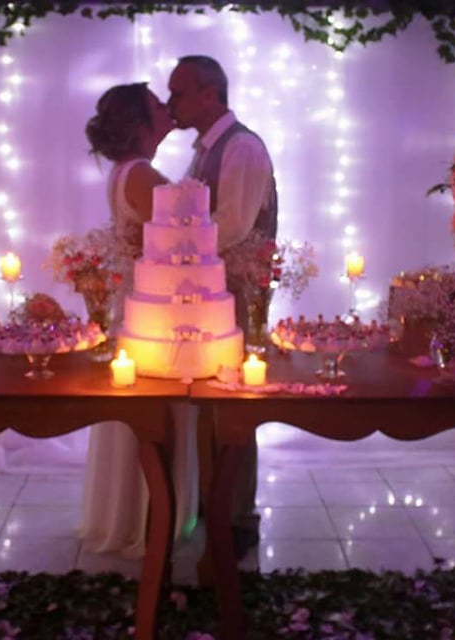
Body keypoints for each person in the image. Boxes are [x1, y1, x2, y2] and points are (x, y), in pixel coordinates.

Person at [78, 82, 200, 557]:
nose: (167, 107)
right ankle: (151, 516)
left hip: (136, 303)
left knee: (134, 414)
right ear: (139, 123)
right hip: (156, 310)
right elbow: (181, 243)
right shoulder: (143, 176)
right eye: (156, 105)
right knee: (154, 414)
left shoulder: (125, 171)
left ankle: (127, 512)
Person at [168, 55, 278, 557]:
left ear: (209, 94)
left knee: (234, 406)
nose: (171, 103)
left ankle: (237, 519)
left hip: (240, 295)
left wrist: (175, 243)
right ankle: (213, 507)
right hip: (212, 297)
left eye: (178, 93)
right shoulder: (206, 150)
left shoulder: (242, 148)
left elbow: (232, 226)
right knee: (209, 407)